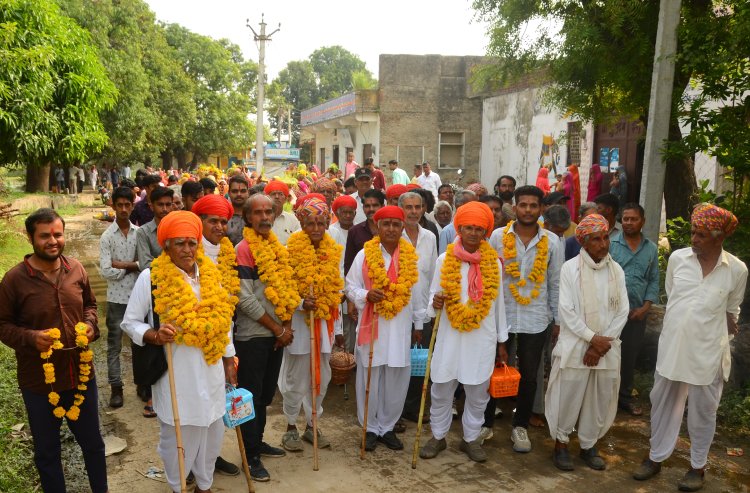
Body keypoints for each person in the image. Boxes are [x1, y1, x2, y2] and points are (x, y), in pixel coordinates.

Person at [633, 204, 747, 492]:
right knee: (662, 403)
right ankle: (655, 457)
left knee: (703, 411)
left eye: (701, 235)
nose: (693, 239)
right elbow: (673, 296)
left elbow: (732, 310)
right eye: (693, 233)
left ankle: (697, 467)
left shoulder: (737, 269)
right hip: (673, 347)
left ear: (719, 237)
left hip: (708, 353)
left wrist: (721, 338)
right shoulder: (678, 259)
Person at [121, 211, 237, 493]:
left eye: (191, 243)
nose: (187, 250)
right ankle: (178, 486)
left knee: (212, 429)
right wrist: (153, 335)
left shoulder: (211, 274)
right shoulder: (151, 278)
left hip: (211, 368)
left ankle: (205, 484)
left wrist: (228, 358)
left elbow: (225, 322)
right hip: (175, 371)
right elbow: (129, 322)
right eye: (179, 243)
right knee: (177, 435)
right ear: (166, 246)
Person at [0, 208, 107, 493]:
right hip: (38, 382)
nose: (53, 241)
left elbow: (90, 306)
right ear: (30, 237)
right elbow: (2, 325)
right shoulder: (14, 280)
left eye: (58, 234)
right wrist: (31, 338)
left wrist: (90, 325)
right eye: (44, 235)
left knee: (94, 445)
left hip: (81, 377)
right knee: (47, 453)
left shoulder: (77, 269)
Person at [419, 202, 508, 463]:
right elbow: (432, 301)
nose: (472, 233)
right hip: (449, 336)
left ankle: (470, 439)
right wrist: (434, 305)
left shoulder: (495, 264)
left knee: (478, 392)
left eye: (478, 229)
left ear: (485, 232)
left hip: (482, 337)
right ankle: (438, 436)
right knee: (441, 389)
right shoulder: (445, 260)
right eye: (468, 227)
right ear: (459, 228)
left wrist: (502, 341)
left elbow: (500, 305)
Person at [546, 213, 629, 471]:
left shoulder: (616, 270)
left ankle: (588, 445)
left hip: (605, 349)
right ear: (584, 242)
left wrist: (601, 345)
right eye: (596, 239)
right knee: (568, 397)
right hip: (576, 348)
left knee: (599, 398)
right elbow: (567, 312)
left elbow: (622, 310)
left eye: (605, 238)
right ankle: (561, 444)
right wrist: (593, 340)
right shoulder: (570, 269)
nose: (603, 244)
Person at [345, 206, 428, 452]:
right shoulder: (364, 255)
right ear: (377, 227)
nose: (391, 228)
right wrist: (366, 294)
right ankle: (369, 429)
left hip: (401, 328)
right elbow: (349, 287)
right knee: (369, 378)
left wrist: (418, 324)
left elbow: (417, 295)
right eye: (386, 224)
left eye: (396, 224)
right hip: (373, 325)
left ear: (403, 227)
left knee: (397, 378)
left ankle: (388, 427)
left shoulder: (410, 257)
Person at [489, 185, 563, 453]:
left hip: (536, 317)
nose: (528, 210)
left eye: (534, 205)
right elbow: (490, 277)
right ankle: (486, 423)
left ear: (541, 209)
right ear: (515, 207)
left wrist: (556, 320)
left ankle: (520, 426)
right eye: (524, 205)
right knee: (494, 369)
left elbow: (555, 283)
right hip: (502, 315)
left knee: (530, 375)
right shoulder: (498, 237)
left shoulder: (553, 242)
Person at [234, 194, 298, 482]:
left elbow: (286, 290)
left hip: (276, 335)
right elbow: (244, 300)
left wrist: (285, 326)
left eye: (268, 212)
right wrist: (277, 328)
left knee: (265, 396)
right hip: (253, 337)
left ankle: (257, 443)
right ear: (248, 218)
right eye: (258, 213)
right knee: (250, 397)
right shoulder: (242, 249)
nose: (264, 218)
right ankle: (251, 455)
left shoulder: (277, 247)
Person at [280, 197, 344, 452]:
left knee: (322, 377)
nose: (316, 228)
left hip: (325, 325)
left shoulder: (333, 250)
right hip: (299, 324)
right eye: (310, 223)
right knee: (296, 377)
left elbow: (337, 290)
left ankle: (312, 424)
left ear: (327, 224)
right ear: (302, 223)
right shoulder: (289, 250)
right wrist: (299, 303)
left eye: (321, 223)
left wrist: (337, 329)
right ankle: (290, 426)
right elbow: (282, 289)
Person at [190, 194, 243, 477]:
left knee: (218, 398)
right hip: (193, 341)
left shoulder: (227, 250)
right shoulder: (186, 250)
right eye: (213, 221)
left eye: (224, 222)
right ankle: (188, 461)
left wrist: (229, 352)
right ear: (199, 221)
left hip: (224, 336)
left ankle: (211, 457)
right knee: (195, 402)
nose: (220, 227)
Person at [609, 203, 659, 416]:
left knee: (629, 359)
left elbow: (654, 280)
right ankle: (604, 398)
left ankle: (624, 398)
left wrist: (645, 308)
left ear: (643, 221)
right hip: (610, 313)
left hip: (636, 315)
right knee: (607, 355)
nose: (629, 223)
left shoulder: (651, 248)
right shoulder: (610, 244)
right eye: (625, 219)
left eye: (633, 219)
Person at [398, 192, 437, 424]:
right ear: (401, 208)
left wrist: (427, 314)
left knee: (419, 362)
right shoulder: (393, 234)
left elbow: (433, 276)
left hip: (423, 309)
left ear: (423, 209)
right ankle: (394, 409)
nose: (413, 212)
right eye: (409, 207)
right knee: (398, 362)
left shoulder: (430, 237)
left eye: (417, 207)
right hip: (398, 311)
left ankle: (411, 408)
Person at [99, 187, 140, 409]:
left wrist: (121, 264)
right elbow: (106, 270)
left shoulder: (139, 233)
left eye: (128, 205)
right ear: (113, 206)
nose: (124, 209)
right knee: (114, 344)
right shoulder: (107, 237)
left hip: (138, 296)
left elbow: (145, 263)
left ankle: (142, 384)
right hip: (116, 299)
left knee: (139, 343)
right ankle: (116, 387)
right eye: (120, 205)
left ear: (133, 206)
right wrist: (131, 267)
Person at [329, 195, 358, 352]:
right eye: (344, 212)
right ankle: (344, 363)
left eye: (350, 212)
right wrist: (343, 290)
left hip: (358, 289)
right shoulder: (331, 233)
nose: (347, 216)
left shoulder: (360, 231)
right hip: (340, 290)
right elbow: (337, 265)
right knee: (343, 329)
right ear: (337, 214)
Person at [343, 189, 385, 275]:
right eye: (367, 206)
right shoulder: (354, 231)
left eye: (375, 205)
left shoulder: (391, 230)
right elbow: (349, 265)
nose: (371, 209)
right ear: (363, 208)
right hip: (362, 284)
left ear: (383, 206)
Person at [136, 187, 174, 272]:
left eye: (168, 205)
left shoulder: (179, 228)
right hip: (156, 281)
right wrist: (172, 265)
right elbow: (145, 264)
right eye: (160, 204)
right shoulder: (143, 232)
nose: (164, 209)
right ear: (151, 206)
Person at [438, 190, 477, 254]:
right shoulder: (447, 231)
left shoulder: (480, 229)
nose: (477, 208)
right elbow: (443, 261)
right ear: (459, 206)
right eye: (472, 205)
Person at [265, 180, 301, 245]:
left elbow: (299, 240)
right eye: (273, 194)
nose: (277, 197)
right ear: (267, 197)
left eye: (280, 194)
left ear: (285, 199)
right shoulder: (262, 218)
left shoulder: (292, 219)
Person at [226, 175, 250, 245]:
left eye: (243, 191)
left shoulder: (254, 214)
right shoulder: (223, 215)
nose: (239, 194)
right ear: (229, 193)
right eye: (235, 191)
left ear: (248, 192)